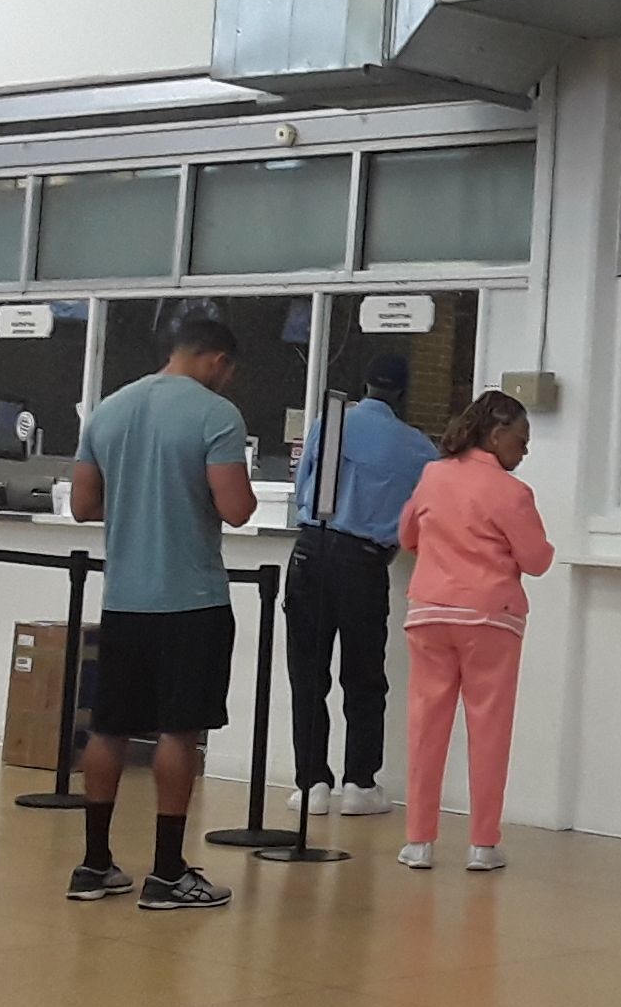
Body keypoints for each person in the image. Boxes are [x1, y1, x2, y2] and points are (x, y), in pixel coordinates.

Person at [64, 314, 255, 912]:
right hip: (191, 600)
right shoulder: (216, 414)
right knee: (180, 730)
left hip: (123, 599)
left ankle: (95, 864)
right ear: (217, 361)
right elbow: (238, 508)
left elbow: (82, 505)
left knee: (110, 727)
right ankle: (168, 872)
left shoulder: (108, 411)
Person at [394, 390, 553, 872]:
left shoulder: (433, 474)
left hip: (429, 613)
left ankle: (418, 842)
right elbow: (538, 560)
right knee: (489, 729)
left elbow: (406, 536)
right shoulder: (512, 492)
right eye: (521, 441)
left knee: (425, 726)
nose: (524, 451)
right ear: (497, 434)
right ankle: (483, 844)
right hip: (490, 619)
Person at [286, 353, 438, 819]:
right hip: (366, 563)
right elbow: (424, 515)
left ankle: (311, 784)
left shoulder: (330, 424)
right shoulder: (419, 449)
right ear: (402, 393)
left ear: (365, 384)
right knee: (365, 676)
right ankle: (359, 783)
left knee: (308, 674)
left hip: (311, 551)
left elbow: (302, 484)